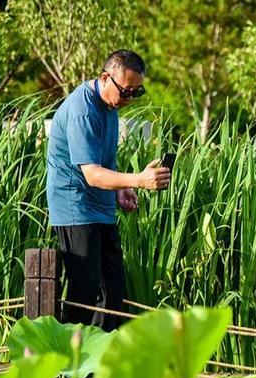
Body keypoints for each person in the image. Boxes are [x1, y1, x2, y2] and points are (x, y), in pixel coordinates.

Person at [46, 49, 169, 331]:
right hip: (74, 206)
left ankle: (99, 362)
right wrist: (138, 180)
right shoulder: (83, 110)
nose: (129, 99)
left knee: (113, 290)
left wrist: (120, 190)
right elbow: (92, 174)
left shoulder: (111, 106)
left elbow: (105, 164)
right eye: (126, 91)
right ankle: (71, 364)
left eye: (136, 93)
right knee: (86, 291)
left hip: (101, 208)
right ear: (105, 78)